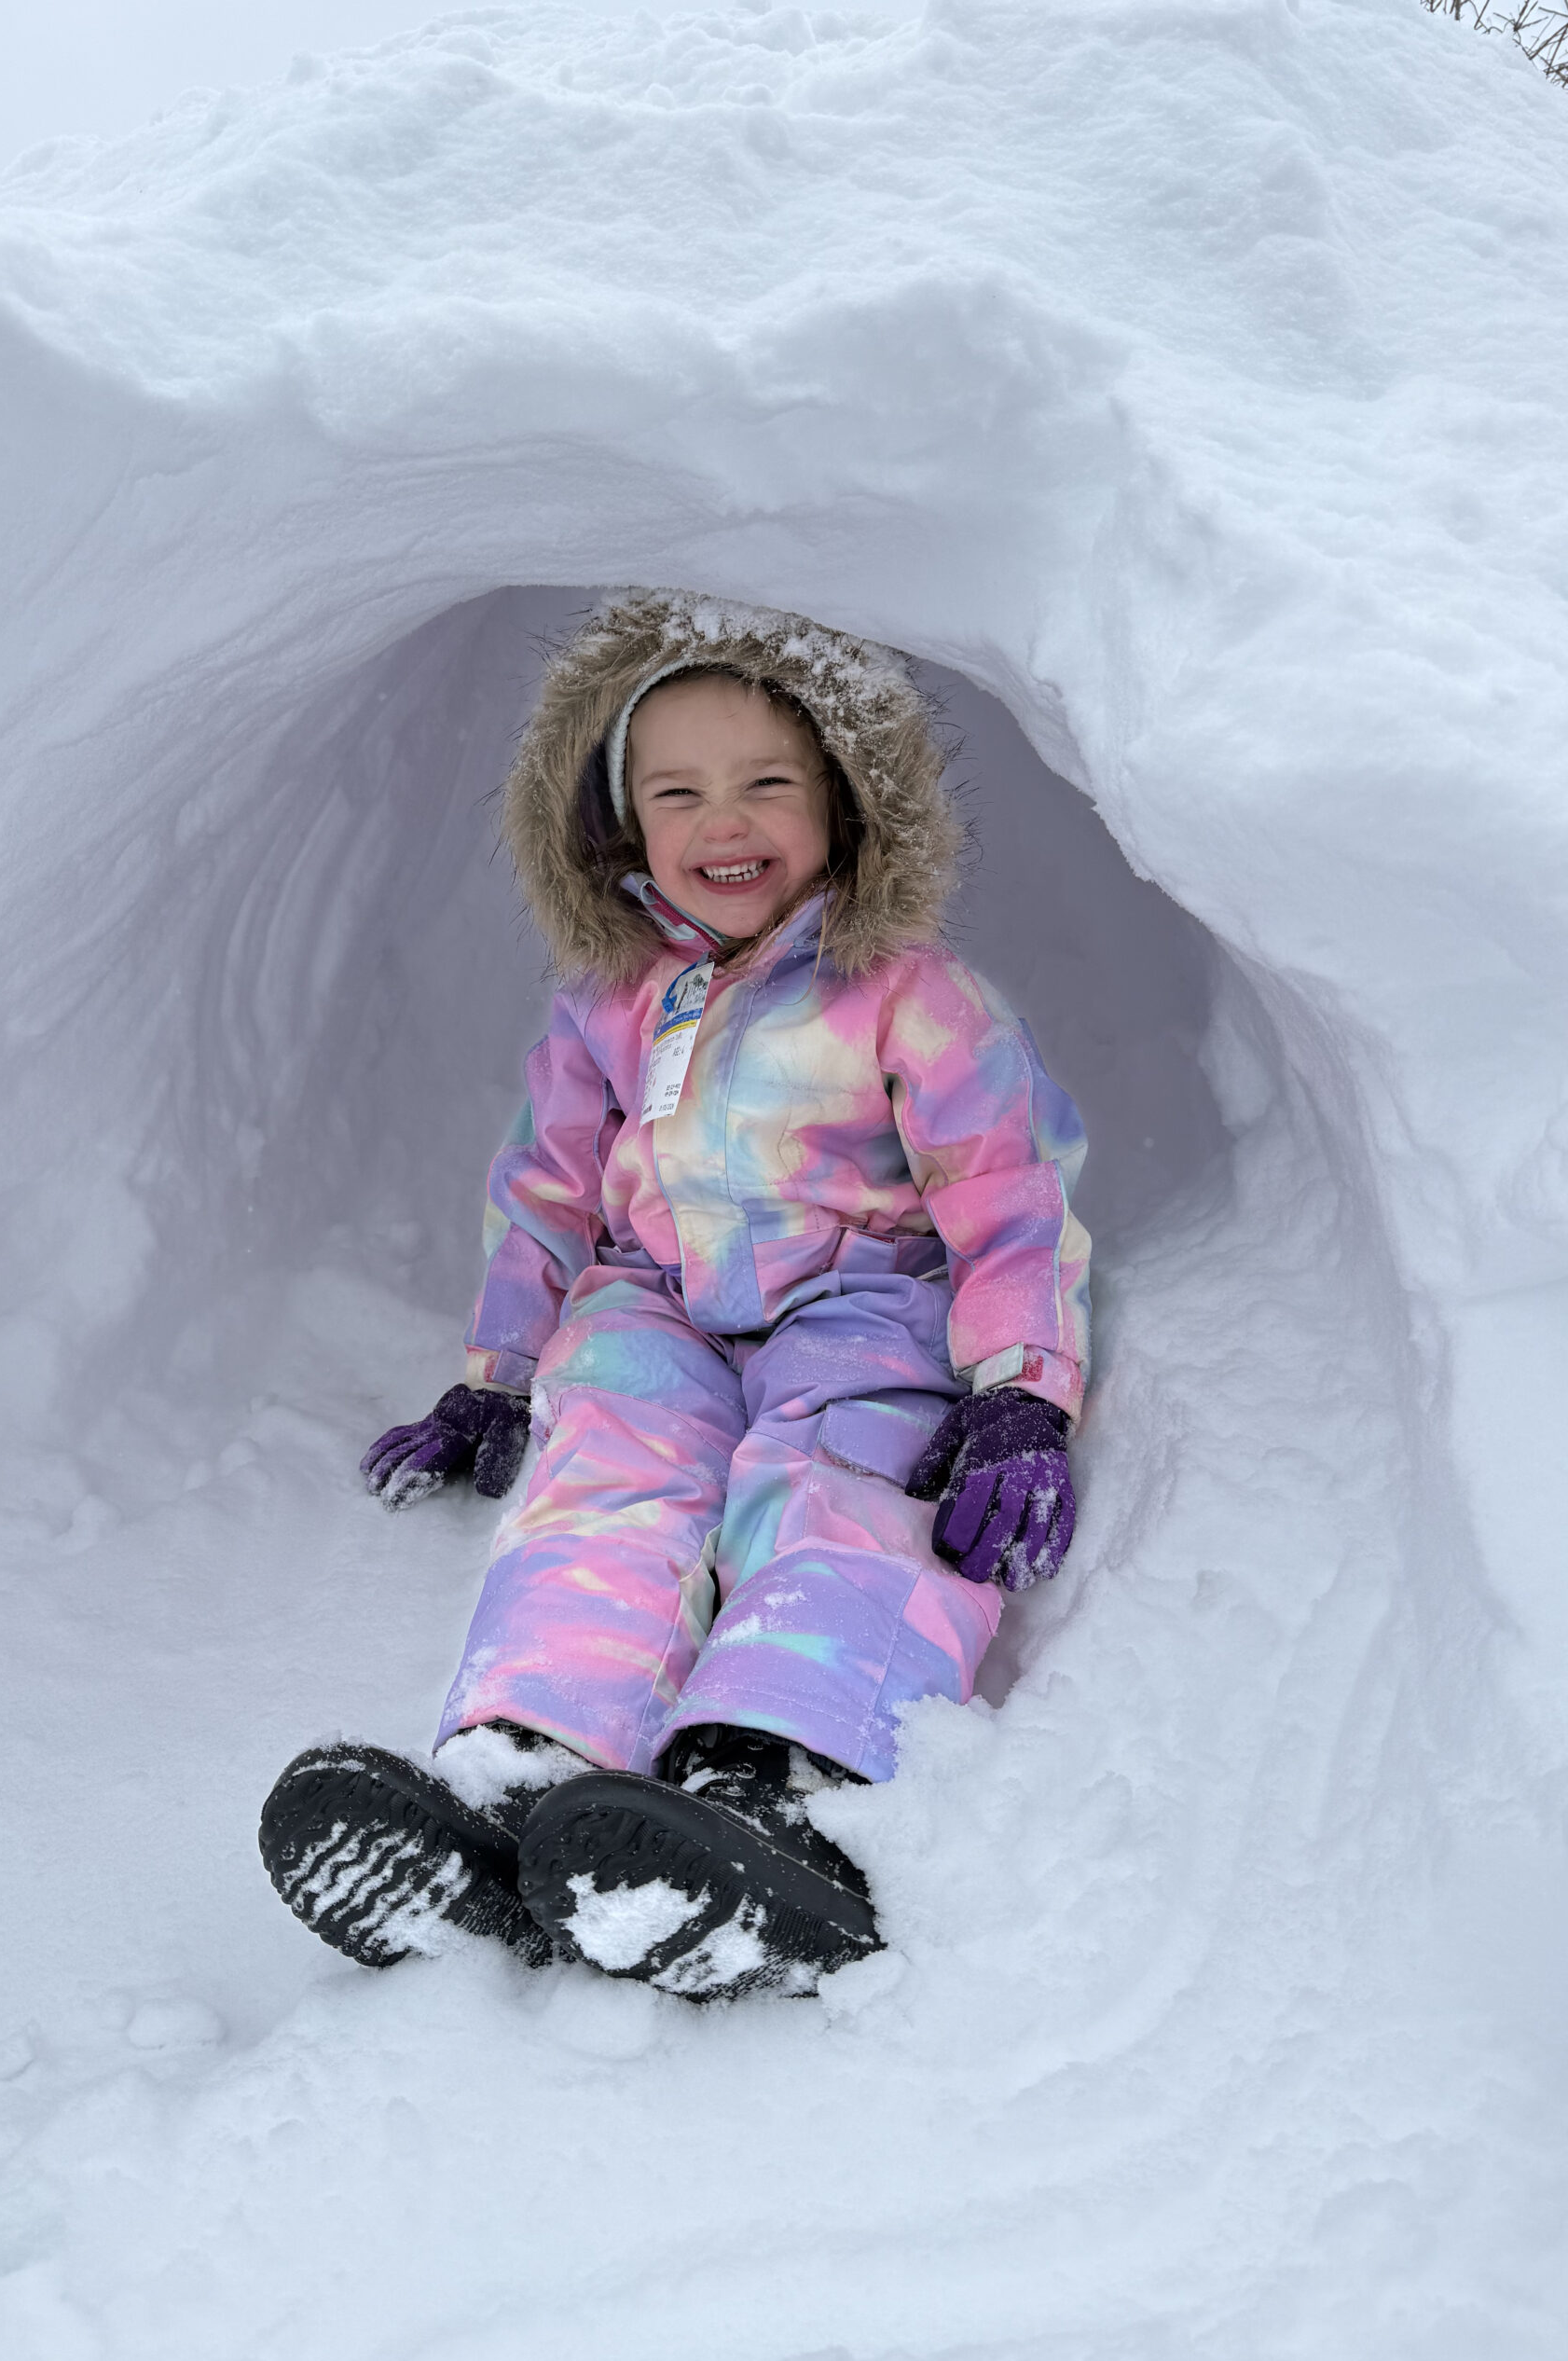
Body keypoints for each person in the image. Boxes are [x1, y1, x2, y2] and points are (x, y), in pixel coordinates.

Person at [259, 592, 1092, 1999]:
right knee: (605, 1472)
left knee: (841, 1481)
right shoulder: (608, 996)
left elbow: (1010, 1186)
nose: (728, 821)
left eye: (770, 784)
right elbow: (544, 1185)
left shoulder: (909, 992)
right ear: (621, 825)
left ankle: (783, 1777)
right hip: (658, 1299)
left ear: (844, 804)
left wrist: (1020, 1389)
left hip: (866, 1299)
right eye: (679, 791)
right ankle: (530, 1765)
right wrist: (500, 1372)